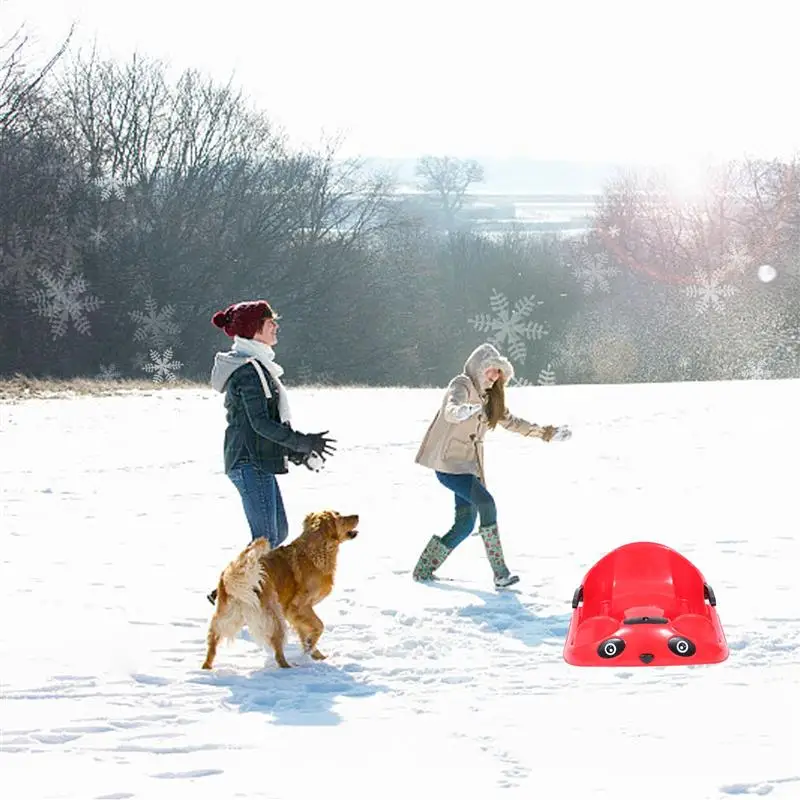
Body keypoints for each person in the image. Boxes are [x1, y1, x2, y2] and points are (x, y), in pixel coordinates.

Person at [412, 342, 571, 588]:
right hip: (449, 465)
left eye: (499, 372)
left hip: (469, 467)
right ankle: (500, 573)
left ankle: (423, 569)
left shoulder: (490, 400)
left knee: (465, 525)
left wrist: (547, 433)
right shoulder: (462, 384)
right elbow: (451, 408)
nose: (495, 376)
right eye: (491, 370)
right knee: (486, 503)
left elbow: (514, 422)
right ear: (479, 367)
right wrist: (461, 411)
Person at [206, 299, 335, 603]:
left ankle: (230, 592)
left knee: (277, 534)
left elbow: (265, 424)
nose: (276, 326)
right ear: (254, 330)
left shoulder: (259, 366)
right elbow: (261, 424)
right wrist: (302, 441)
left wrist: (297, 452)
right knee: (265, 540)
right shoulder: (248, 371)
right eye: (270, 322)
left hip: (257, 460)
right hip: (248, 461)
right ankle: (230, 595)